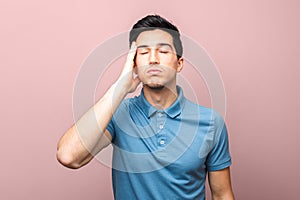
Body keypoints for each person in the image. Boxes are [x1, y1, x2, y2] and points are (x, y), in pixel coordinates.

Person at [57, 14, 235, 200]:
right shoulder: (118, 114)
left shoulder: (211, 123)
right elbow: (69, 156)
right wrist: (120, 88)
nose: (153, 59)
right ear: (133, 63)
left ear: (179, 64)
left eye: (163, 51)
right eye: (143, 52)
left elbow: (222, 195)